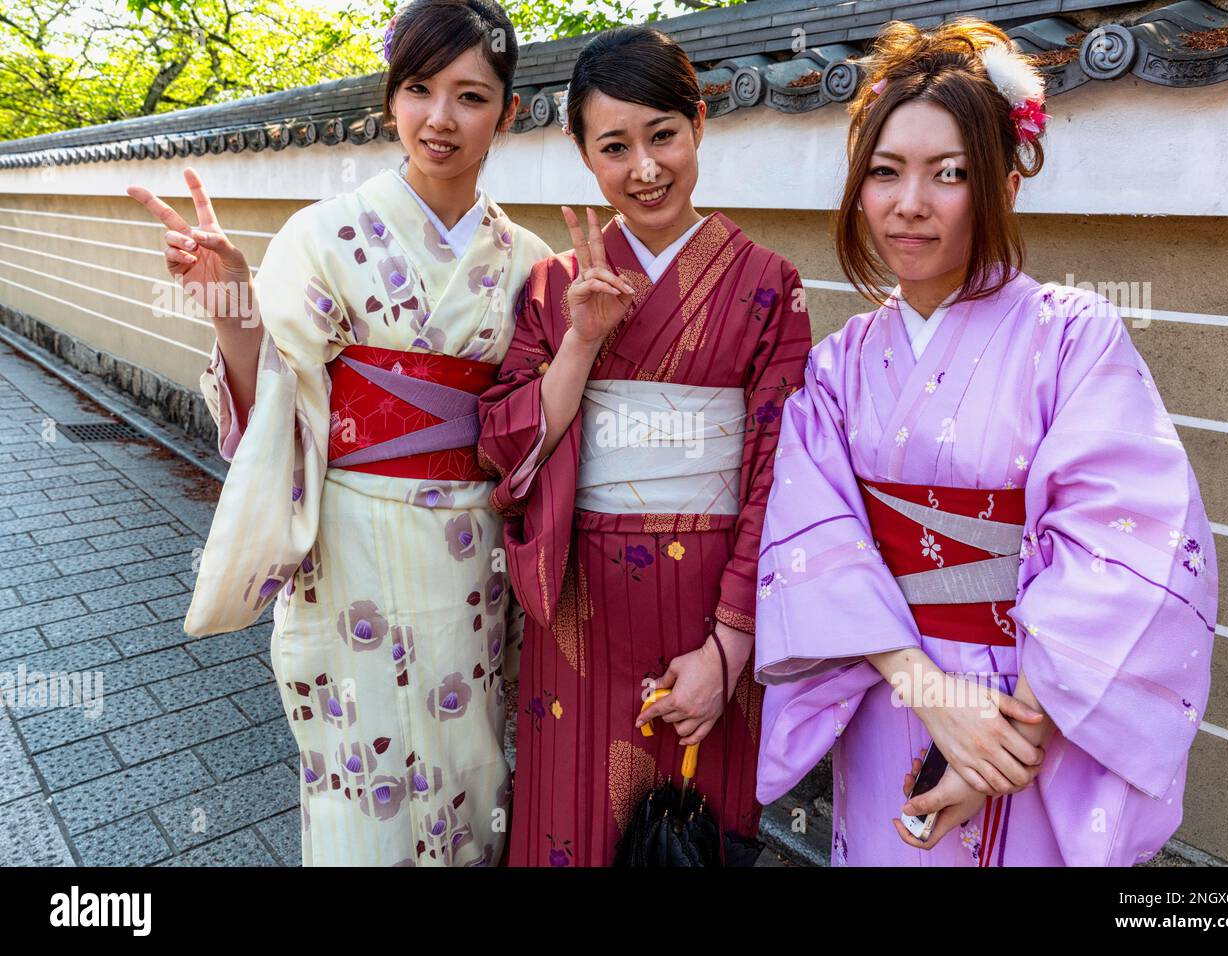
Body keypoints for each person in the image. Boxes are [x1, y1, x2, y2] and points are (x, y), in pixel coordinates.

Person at [752, 17, 1217, 866]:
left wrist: (1011, 742)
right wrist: (930, 694)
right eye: (885, 173)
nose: (909, 204)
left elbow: (1129, 546)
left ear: (1002, 181)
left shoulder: (1075, 337)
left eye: (949, 174)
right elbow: (816, 544)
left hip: (1038, 709)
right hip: (893, 691)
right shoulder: (838, 367)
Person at [127, 0, 551, 866]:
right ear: (390, 99)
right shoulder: (321, 237)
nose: (441, 118)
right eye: (420, 89)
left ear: (508, 112)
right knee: (358, 781)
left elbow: (539, 429)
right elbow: (279, 400)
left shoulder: (532, 263)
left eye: (471, 96)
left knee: (474, 767)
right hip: (350, 546)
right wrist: (232, 310)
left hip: (476, 558)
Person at [478, 26, 812, 866]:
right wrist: (581, 342)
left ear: (700, 122)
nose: (646, 168)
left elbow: (781, 471)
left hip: (710, 604)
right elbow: (504, 442)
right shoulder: (556, 285)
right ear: (585, 156)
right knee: (570, 822)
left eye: (663, 134)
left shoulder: (768, 284)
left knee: (688, 833)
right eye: (615, 147)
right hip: (580, 603)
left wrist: (731, 646)